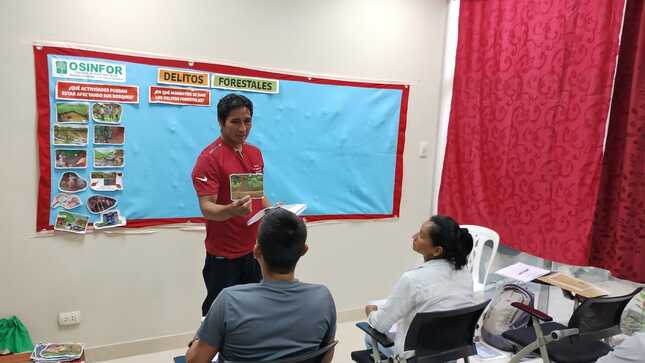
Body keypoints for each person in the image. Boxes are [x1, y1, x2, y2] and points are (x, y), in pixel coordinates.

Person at [185, 208, 337, 363]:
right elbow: (326, 355)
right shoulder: (323, 299)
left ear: (256, 251)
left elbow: (195, 360)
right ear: (304, 250)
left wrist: (201, 335)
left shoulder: (229, 301)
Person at [192, 93, 271, 317]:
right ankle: (208, 351)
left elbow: (258, 195)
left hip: (254, 251)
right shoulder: (209, 158)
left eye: (247, 121)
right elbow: (207, 207)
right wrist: (230, 211)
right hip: (224, 256)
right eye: (235, 122)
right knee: (219, 316)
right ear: (221, 122)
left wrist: (274, 212)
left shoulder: (254, 153)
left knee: (254, 312)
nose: (242, 128)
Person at [363, 215, 475, 359]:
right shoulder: (465, 274)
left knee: (369, 337)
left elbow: (381, 325)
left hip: (417, 357)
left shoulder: (412, 280)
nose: (414, 236)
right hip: (451, 354)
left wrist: (371, 312)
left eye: (421, 236)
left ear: (437, 251)